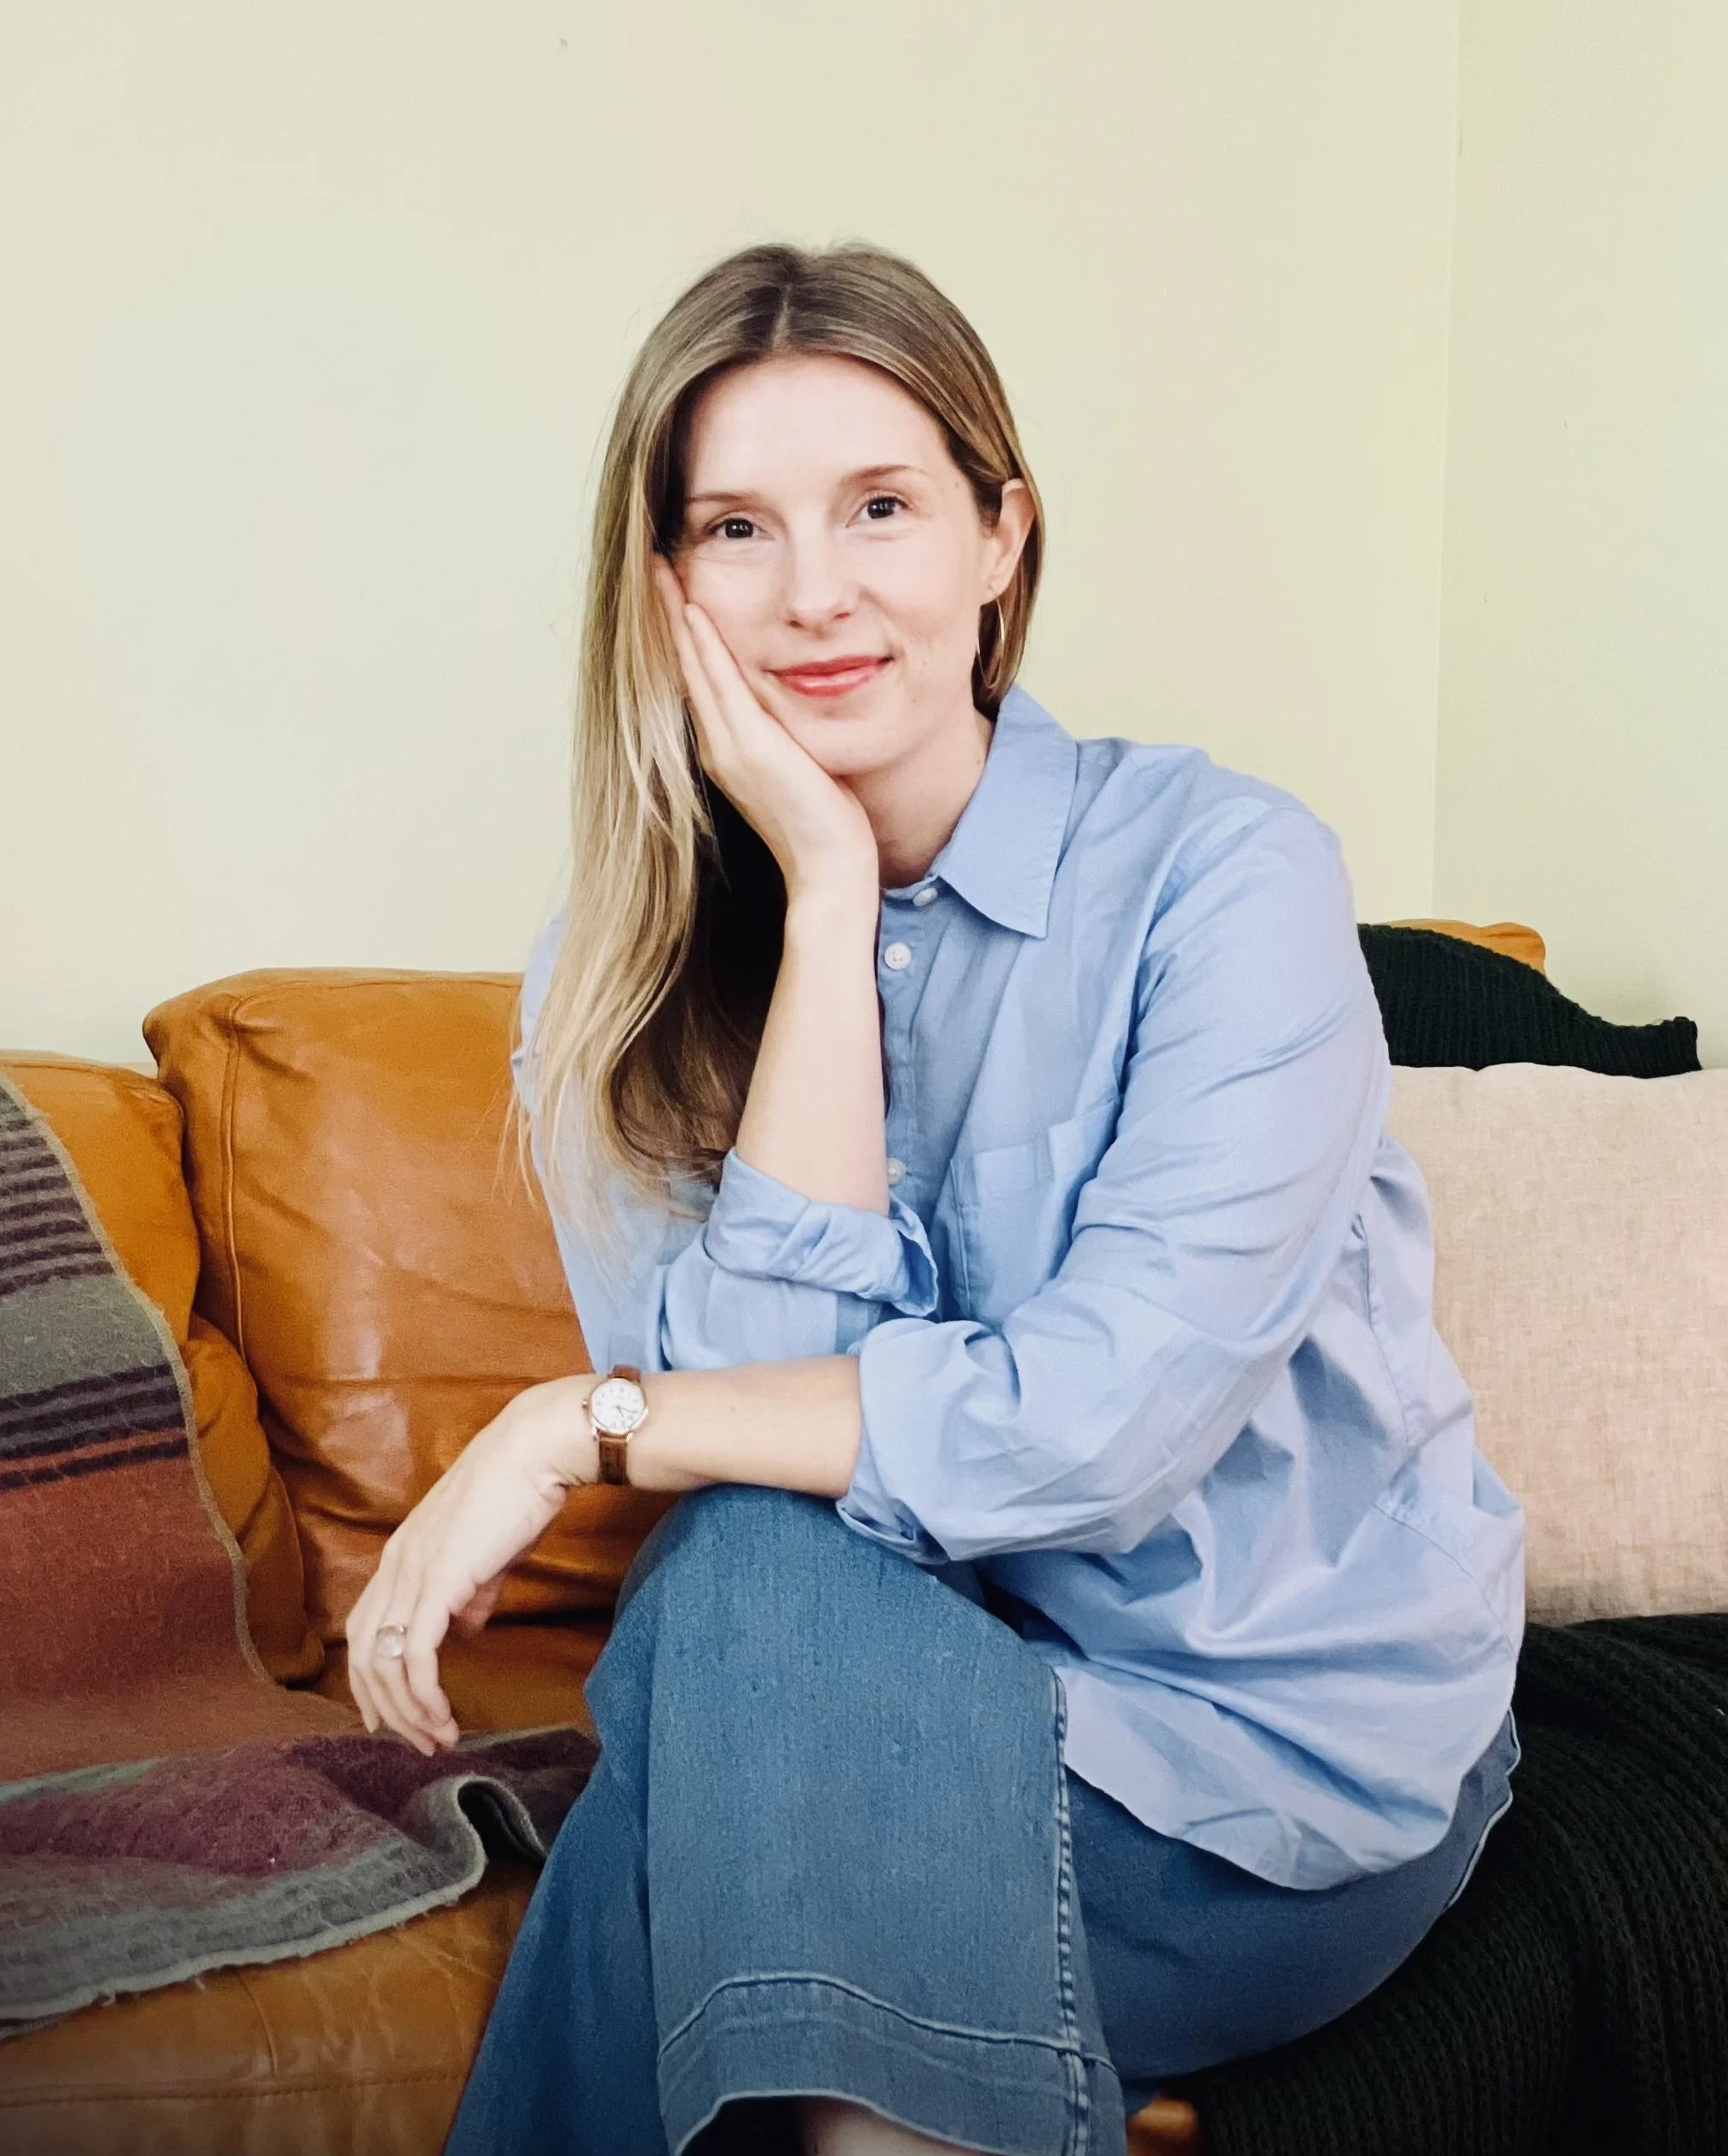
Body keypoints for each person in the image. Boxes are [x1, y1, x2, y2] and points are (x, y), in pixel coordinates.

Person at [347, 241, 1526, 2156]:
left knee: (716, 1677)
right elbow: (764, 1494)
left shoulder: (1226, 879)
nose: (813, 592)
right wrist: (820, 900)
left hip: (1255, 1752)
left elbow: (1104, 1426)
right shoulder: (617, 980)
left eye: (879, 506)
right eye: (736, 527)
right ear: (664, 594)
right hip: (824, 1692)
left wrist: (583, 1422)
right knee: (745, 1580)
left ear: (999, 538)